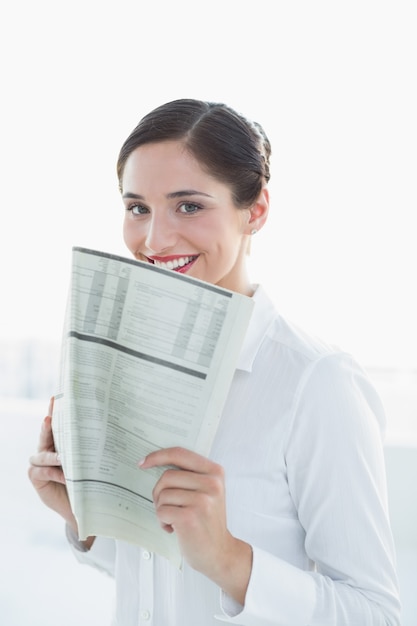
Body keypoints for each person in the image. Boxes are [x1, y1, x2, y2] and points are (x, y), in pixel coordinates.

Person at [28, 98, 401, 625]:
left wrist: (229, 558)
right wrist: (86, 518)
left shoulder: (317, 382)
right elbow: (160, 584)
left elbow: (377, 613)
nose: (154, 241)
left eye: (189, 206)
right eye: (137, 208)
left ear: (257, 210)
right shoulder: (130, 366)